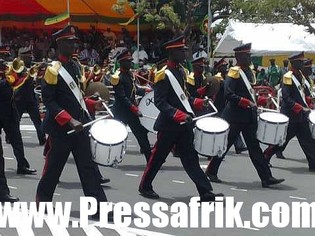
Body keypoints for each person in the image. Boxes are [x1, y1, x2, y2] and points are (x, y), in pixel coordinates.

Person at [139, 35, 223, 201]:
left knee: (191, 159)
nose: (184, 53)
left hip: (184, 126)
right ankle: (145, 186)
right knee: (157, 158)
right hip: (169, 125)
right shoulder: (163, 74)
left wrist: (199, 103)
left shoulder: (181, 71)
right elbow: (160, 102)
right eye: (181, 50)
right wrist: (178, 115)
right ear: (172, 53)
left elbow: (185, 98)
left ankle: (205, 191)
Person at [36, 25, 108, 213]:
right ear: (60, 44)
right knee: (53, 168)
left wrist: (92, 105)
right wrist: (69, 120)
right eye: (69, 42)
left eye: (74, 42)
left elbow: (78, 98)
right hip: (61, 129)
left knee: (88, 168)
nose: (73, 45)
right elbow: (49, 101)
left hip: (79, 127)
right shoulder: (52, 70)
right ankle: (42, 203)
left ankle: (98, 207)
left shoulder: (76, 66)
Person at [205, 43, 285, 187]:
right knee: (225, 146)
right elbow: (229, 94)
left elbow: (249, 93)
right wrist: (245, 102)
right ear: (239, 57)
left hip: (248, 117)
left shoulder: (249, 72)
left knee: (255, 148)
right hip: (235, 117)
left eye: (249, 55)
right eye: (247, 56)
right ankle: (211, 171)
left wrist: (259, 100)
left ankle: (266, 177)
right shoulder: (234, 73)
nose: (249, 58)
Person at [264, 53, 315, 171]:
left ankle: (313, 164)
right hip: (291, 115)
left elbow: (301, 95)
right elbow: (287, 97)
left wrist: (309, 101)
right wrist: (300, 107)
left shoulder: (300, 76)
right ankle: (265, 156)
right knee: (282, 141)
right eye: (301, 62)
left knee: (308, 141)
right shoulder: (288, 77)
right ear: (295, 63)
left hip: (301, 116)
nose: (303, 64)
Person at [0, 50, 37, 175]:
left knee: (17, 140)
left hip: (9, 110)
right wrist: (7, 79)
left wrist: (22, 75)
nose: (4, 60)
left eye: (5, 56)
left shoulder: (7, 71)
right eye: (2, 56)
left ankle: (22, 166)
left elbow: (16, 84)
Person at [111, 49, 152, 162]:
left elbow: (134, 90)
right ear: (121, 62)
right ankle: (110, 157)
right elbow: (122, 97)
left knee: (141, 134)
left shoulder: (129, 75)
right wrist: (135, 109)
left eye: (130, 61)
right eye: (128, 61)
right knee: (116, 136)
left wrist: (146, 92)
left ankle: (150, 159)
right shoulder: (117, 77)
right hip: (121, 111)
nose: (130, 63)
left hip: (131, 111)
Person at [9, 58, 46, 145]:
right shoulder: (18, 78)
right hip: (25, 101)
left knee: (34, 121)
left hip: (25, 101)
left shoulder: (26, 76)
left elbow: (36, 80)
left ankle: (42, 139)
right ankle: (10, 137)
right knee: (17, 121)